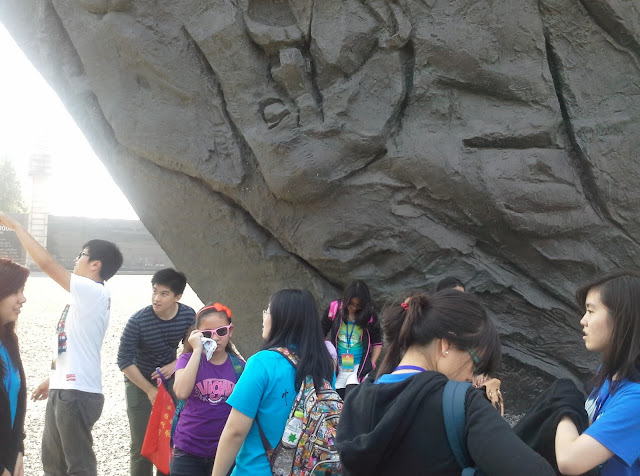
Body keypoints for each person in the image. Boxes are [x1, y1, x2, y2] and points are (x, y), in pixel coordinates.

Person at [336, 290, 555, 475]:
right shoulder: (461, 404)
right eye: (475, 364)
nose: (472, 377)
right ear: (446, 344)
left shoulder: (355, 401)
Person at [0, 212, 123, 476]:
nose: (77, 259)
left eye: (82, 255)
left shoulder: (94, 291)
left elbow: (46, 263)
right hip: (66, 386)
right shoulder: (82, 299)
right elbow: (67, 345)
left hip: (78, 392)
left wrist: (16, 226)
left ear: (95, 264)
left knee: (78, 466)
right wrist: (53, 377)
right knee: (52, 463)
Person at [211, 289, 334, 476]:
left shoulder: (262, 363)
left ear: (281, 319)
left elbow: (235, 431)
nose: (264, 317)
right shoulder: (324, 366)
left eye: (267, 311)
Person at [555, 270, 640, 475]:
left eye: (591, 311)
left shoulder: (636, 399)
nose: (583, 321)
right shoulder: (611, 372)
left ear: (622, 319)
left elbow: (569, 461)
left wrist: (564, 408)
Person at [117, 268, 196, 476]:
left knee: (169, 440)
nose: (156, 298)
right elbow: (123, 360)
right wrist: (149, 390)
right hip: (138, 382)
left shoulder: (188, 315)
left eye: (164, 293)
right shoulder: (138, 322)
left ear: (177, 297)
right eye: (154, 291)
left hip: (170, 381)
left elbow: (193, 346)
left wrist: (176, 363)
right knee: (142, 444)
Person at [171, 303, 244, 476]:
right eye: (207, 334)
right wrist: (197, 350)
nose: (215, 338)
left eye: (221, 331)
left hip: (224, 451)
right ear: (197, 335)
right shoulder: (187, 359)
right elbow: (181, 392)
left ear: (230, 331)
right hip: (188, 450)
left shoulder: (239, 366)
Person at [321, 280, 382, 398]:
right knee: (337, 400)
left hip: (358, 367)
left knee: (351, 399)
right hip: (337, 366)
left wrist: (372, 363)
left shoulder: (370, 314)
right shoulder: (334, 308)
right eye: (351, 304)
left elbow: (377, 343)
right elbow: (321, 332)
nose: (353, 308)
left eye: (358, 306)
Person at [0, 258, 29, 476]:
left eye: (23, 290)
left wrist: (18, 449)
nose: (23, 299)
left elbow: (15, 404)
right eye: (15, 291)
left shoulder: (9, 340)